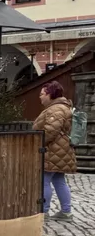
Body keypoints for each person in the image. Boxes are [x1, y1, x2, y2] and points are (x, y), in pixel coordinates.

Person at [33, 81, 75, 221]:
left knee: (44, 181)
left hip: (52, 151)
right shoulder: (62, 107)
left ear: (50, 94)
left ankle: (43, 212)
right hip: (61, 150)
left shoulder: (55, 109)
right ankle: (66, 211)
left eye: (42, 94)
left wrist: (37, 142)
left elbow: (50, 131)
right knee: (59, 180)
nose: (40, 97)